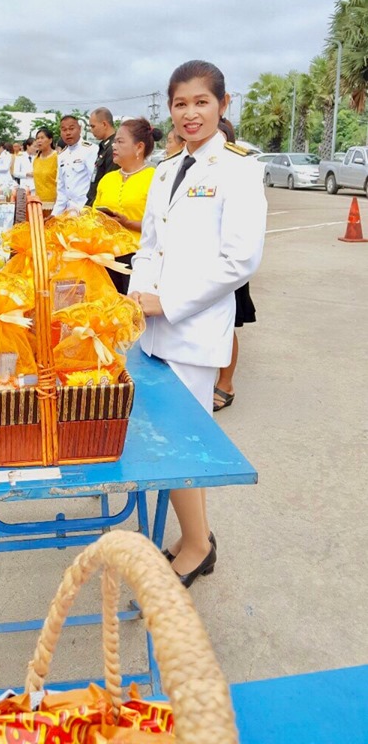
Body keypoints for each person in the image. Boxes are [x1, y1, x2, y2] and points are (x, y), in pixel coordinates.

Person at [128, 60, 266, 588]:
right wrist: (139, 294)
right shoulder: (166, 169)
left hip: (193, 329)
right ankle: (196, 538)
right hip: (154, 329)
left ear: (222, 105)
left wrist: (167, 302)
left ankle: (197, 548)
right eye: (180, 103)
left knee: (180, 446)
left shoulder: (239, 169)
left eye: (201, 102)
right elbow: (149, 245)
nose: (190, 113)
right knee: (176, 443)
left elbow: (239, 261)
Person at [213, 118, 256, 411]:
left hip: (228, 265)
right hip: (195, 264)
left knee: (228, 325)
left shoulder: (240, 171)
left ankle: (226, 383)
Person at [93, 118, 160, 293]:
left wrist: (128, 223)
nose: (114, 146)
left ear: (139, 147)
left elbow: (161, 225)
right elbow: (93, 215)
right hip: (105, 257)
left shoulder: (155, 178)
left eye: (120, 141)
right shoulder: (107, 179)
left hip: (139, 259)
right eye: (114, 141)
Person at [51, 116, 98, 216]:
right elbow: (61, 189)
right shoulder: (61, 156)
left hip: (86, 210)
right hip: (68, 211)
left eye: (71, 129)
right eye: (64, 130)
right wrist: (54, 214)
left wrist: (88, 210)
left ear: (79, 129)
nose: (68, 133)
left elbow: (95, 183)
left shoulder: (90, 150)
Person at [86, 107, 116, 205]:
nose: (91, 130)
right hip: (94, 201)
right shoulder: (104, 146)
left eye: (93, 126)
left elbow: (109, 181)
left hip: (102, 203)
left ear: (104, 124)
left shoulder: (114, 148)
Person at [33, 127, 58, 206]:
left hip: (53, 202)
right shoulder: (36, 159)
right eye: (37, 138)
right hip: (38, 201)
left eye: (42, 138)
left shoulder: (57, 157)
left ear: (50, 140)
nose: (39, 141)